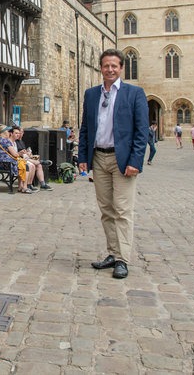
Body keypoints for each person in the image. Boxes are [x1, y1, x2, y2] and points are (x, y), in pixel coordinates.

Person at [77, 48, 148, 280]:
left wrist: (136, 161)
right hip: (98, 158)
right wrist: (83, 158)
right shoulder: (91, 94)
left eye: (114, 66)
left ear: (121, 68)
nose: (110, 69)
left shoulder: (134, 94)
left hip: (123, 160)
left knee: (122, 211)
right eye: (106, 65)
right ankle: (112, 253)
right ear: (101, 68)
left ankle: (122, 260)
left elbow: (141, 132)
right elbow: (85, 128)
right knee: (106, 210)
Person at [0, 125, 34, 193]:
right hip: (6, 164)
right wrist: (20, 153)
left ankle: (20, 186)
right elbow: (15, 154)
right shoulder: (6, 141)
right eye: (9, 131)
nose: (10, 133)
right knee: (25, 166)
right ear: (5, 132)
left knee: (21, 163)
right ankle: (24, 187)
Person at [12, 125, 53, 191]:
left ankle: (42, 184)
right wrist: (25, 153)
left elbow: (24, 152)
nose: (21, 134)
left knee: (39, 165)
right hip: (20, 160)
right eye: (20, 132)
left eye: (22, 132)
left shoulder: (21, 141)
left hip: (25, 158)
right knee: (32, 165)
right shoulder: (14, 142)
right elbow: (16, 154)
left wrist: (29, 154)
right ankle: (28, 185)